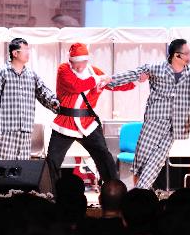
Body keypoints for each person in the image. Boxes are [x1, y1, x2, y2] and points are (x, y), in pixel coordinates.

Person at [108, 39, 190, 189]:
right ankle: (140, 192)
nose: (189, 56)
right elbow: (133, 74)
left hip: (176, 125)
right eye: (186, 53)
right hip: (154, 122)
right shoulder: (157, 68)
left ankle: (139, 193)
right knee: (141, 161)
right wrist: (109, 81)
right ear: (176, 56)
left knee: (158, 160)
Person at [46, 42, 144, 185]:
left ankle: (114, 191)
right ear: (70, 60)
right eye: (75, 62)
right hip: (66, 123)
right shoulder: (64, 69)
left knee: (104, 157)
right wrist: (98, 80)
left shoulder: (94, 71)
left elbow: (112, 84)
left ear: (87, 60)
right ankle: (50, 194)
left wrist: (134, 81)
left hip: (87, 123)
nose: (78, 66)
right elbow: (76, 85)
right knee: (53, 160)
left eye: (82, 62)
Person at [0, 37, 59, 160]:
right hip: (5, 132)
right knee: (2, 170)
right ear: (15, 53)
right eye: (25, 49)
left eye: (28, 49)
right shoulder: (1, 73)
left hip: (25, 131)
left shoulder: (31, 75)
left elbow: (43, 91)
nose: (28, 52)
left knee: (21, 171)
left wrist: (54, 103)